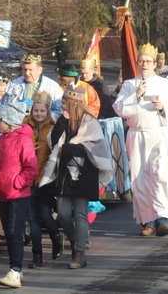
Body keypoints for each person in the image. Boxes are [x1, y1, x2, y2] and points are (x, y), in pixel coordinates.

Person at [113, 43, 168, 236]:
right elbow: (119, 109)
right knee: (140, 177)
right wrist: (135, 96)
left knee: (160, 174)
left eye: (148, 61)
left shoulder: (165, 84)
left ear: (155, 64)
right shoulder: (129, 85)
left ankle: (163, 219)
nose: (144, 64)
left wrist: (162, 108)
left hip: (159, 133)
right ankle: (147, 221)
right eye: (141, 61)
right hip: (137, 134)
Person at [39, 85, 112, 270]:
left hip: (84, 174)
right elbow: (54, 141)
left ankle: (79, 253)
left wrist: (67, 148)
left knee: (80, 213)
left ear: (73, 103)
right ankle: (73, 241)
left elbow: (91, 149)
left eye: (64, 102)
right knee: (63, 213)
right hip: (64, 174)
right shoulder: (62, 120)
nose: (62, 105)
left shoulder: (90, 123)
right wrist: (62, 123)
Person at [0, 101, 38, 288]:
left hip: (17, 195)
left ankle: (15, 270)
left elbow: (31, 168)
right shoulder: (0, 139)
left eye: (0, 119)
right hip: (1, 194)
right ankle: (16, 270)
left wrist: (17, 183)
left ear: (9, 121)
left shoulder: (23, 140)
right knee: (9, 232)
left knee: (15, 232)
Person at [25, 91, 63, 269]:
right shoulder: (26, 127)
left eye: (42, 111)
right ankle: (37, 255)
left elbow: (57, 149)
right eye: (36, 110)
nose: (38, 114)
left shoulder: (53, 127)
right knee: (33, 218)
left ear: (47, 111)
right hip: (28, 178)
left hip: (45, 179)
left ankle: (56, 237)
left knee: (44, 215)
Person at [2, 54, 63, 119]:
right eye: (25, 70)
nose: (27, 73)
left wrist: (44, 118)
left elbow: (58, 111)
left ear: (40, 70)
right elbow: (3, 106)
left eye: (30, 70)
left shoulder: (53, 86)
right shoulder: (14, 84)